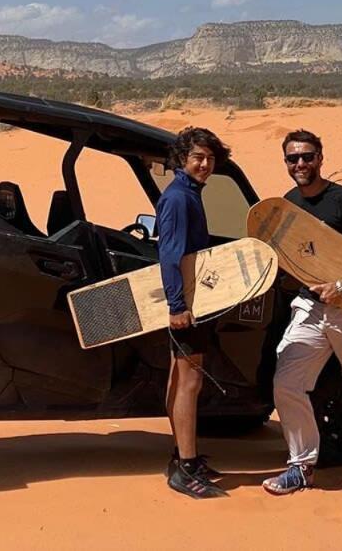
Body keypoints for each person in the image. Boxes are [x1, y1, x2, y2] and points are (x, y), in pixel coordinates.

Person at [262, 129, 342, 507]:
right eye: (292, 159)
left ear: (320, 158)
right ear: (286, 163)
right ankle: (301, 466)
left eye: (307, 157)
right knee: (287, 381)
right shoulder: (287, 206)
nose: (300, 164)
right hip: (311, 308)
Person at [157, 126, 230, 499]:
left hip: (191, 300)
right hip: (185, 304)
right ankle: (185, 468)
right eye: (198, 157)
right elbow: (170, 255)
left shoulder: (189, 194)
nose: (204, 164)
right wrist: (177, 307)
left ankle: (183, 456)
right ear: (182, 159)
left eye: (210, 158)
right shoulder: (177, 199)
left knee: (180, 378)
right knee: (189, 382)